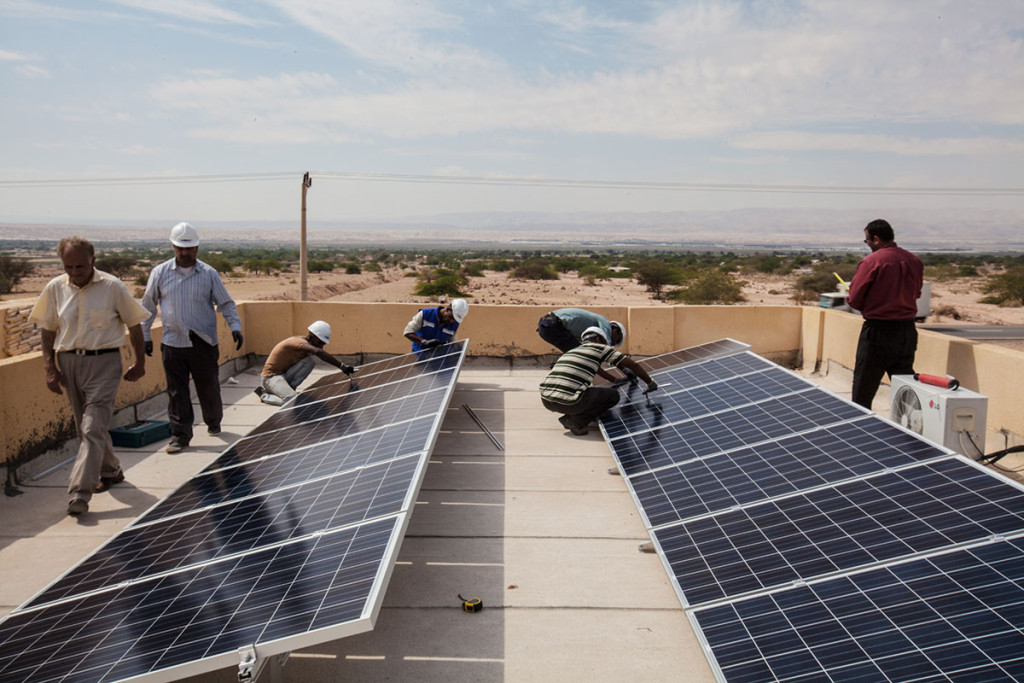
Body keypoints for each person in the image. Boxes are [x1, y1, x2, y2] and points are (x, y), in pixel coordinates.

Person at [29, 237, 149, 516]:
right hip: (69, 363)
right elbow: (47, 329)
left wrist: (140, 363)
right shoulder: (55, 288)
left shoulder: (112, 287)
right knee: (87, 428)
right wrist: (50, 367)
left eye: (80, 266)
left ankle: (79, 493)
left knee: (92, 427)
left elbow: (135, 325)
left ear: (93, 260)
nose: (74, 272)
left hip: (105, 363)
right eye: (68, 267)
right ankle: (111, 470)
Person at [141, 222, 243, 453]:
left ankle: (213, 420)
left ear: (197, 248)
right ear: (173, 247)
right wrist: (145, 335)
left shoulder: (208, 274)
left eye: (189, 248)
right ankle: (180, 435)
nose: (185, 253)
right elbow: (147, 306)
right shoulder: (160, 273)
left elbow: (225, 303)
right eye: (180, 248)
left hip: (203, 342)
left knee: (208, 387)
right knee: (177, 391)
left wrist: (234, 326)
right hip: (172, 341)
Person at [846, 219, 924, 410]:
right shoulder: (913, 260)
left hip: (878, 332)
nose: (868, 245)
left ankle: (860, 430)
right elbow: (917, 293)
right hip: (906, 331)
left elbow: (855, 299)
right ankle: (909, 431)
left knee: (864, 389)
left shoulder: (872, 262)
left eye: (867, 241)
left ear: (876, 239)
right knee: (906, 390)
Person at [540, 326, 657, 436]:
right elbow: (633, 365)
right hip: (569, 403)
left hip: (546, 399)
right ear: (598, 339)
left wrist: (620, 376)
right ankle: (575, 421)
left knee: (590, 392)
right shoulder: (600, 348)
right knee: (612, 395)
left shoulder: (573, 351)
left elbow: (604, 369)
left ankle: (575, 415)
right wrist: (650, 382)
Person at [256, 321, 355, 406]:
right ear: (312, 336)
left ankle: (288, 389)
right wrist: (342, 366)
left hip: (284, 375)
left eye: (323, 344)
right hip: (271, 378)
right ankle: (265, 395)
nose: (321, 347)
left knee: (309, 361)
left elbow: (317, 352)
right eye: (320, 343)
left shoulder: (307, 343)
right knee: (293, 400)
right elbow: (318, 352)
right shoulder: (298, 342)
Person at [537, 307, 626, 382]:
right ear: (615, 330)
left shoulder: (586, 332)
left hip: (546, 327)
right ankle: (613, 380)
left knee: (577, 357)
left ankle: (560, 377)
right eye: (616, 340)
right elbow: (608, 352)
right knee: (585, 359)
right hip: (552, 325)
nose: (613, 343)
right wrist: (624, 369)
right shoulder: (605, 323)